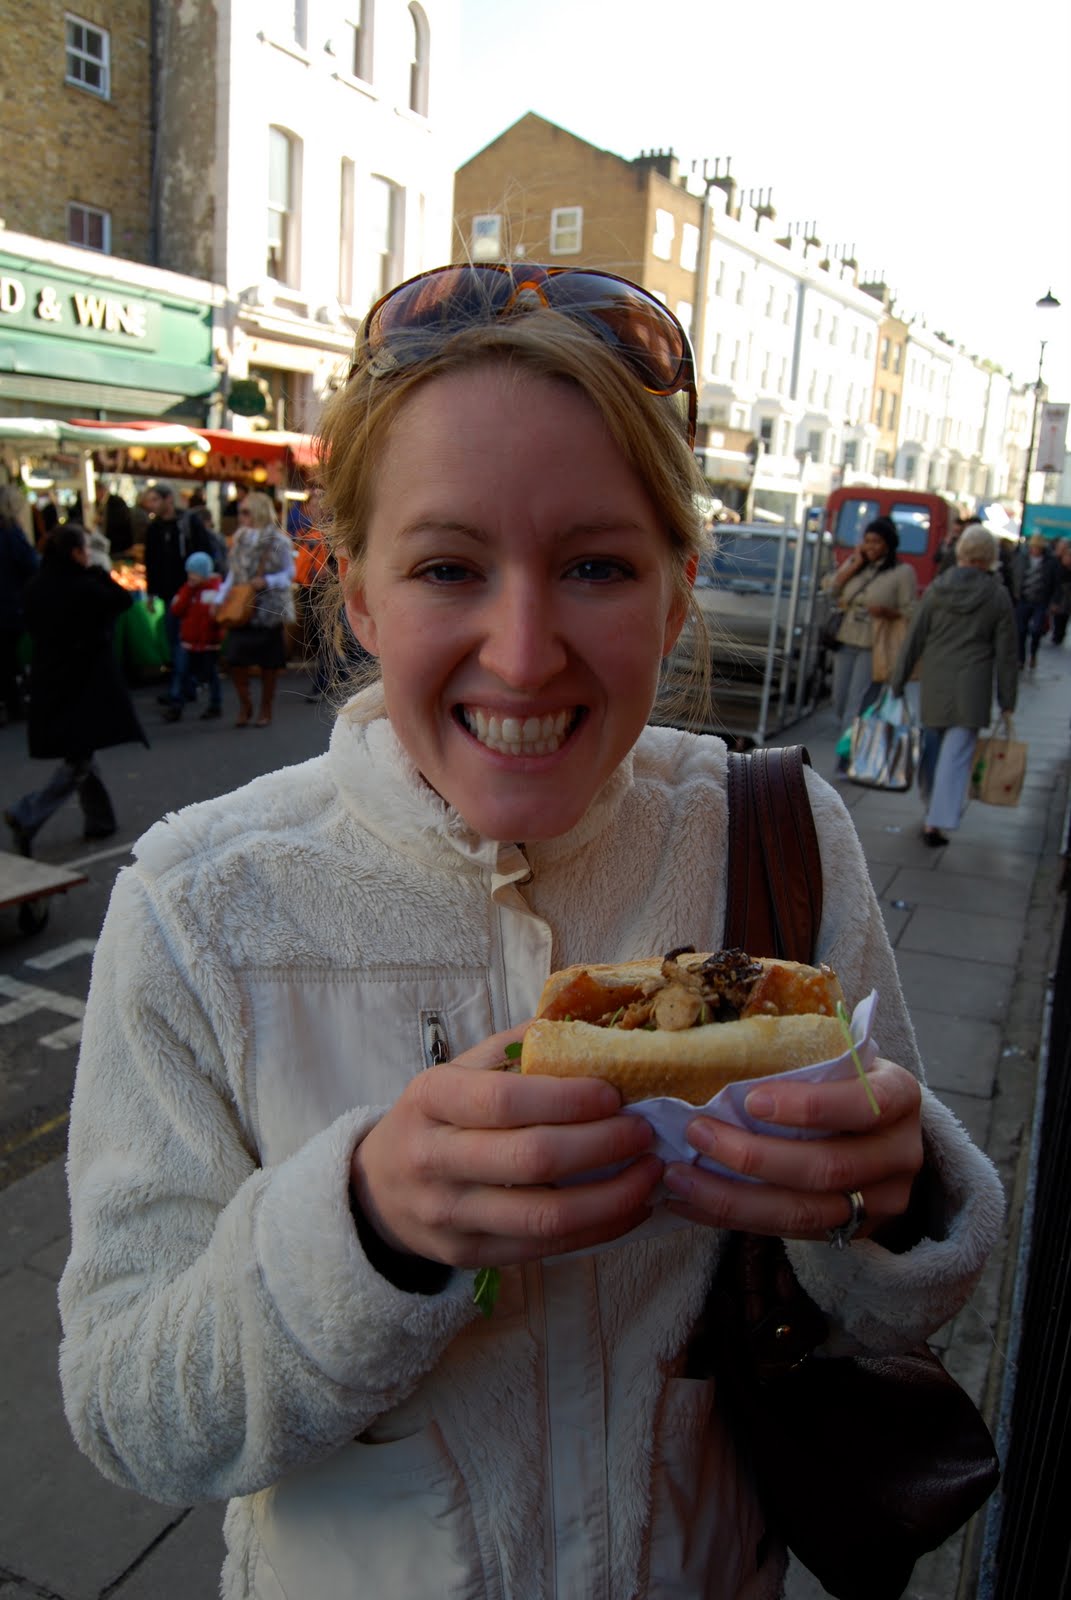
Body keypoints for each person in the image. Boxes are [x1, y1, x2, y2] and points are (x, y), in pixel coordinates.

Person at [59, 264, 1004, 1600]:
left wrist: (892, 1207)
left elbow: (898, 1315)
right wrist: (367, 1225)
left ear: (674, 594)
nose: (521, 652)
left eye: (596, 567)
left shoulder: (779, 837)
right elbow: (129, 1410)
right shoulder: (196, 906)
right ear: (360, 593)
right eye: (449, 566)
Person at [4, 523, 147, 856]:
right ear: (75, 553)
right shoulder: (83, 587)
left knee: (81, 751)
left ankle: (100, 819)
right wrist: (99, 574)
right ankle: (28, 813)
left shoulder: (37, 586)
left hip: (50, 680)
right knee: (79, 758)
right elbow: (121, 600)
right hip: (82, 683)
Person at [889, 524, 1017, 848]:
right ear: (990, 556)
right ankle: (937, 820)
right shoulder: (997, 596)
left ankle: (929, 802)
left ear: (961, 552)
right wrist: (1007, 700)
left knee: (932, 747)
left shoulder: (937, 589)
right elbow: (1007, 654)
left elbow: (914, 638)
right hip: (973, 684)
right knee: (957, 755)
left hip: (936, 681)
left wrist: (898, 680)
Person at [822, 514, 918, 755]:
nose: (871, 547)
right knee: (839, 697)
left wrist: (888, 612)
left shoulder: (902, 572)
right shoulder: (857, 564)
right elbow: (831, 589)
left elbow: (911, 610)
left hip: (874, 643)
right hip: (846, 638)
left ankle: (848, 753)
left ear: (888, 544)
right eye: (867, 541)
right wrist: (855, 564)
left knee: (858, 700)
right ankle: (851, 741)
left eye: (876, 542)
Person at [215, 489, 295, 727]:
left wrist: (268, 581)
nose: (241, 517)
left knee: (268, 663)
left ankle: (265, 708)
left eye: (246, 512)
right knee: (235, 659)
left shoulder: (278, 540)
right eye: (241, 512)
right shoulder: (239, 539)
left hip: (267, 607)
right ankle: (246, 704)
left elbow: (289, 572)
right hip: (241, 607)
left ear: (259, 512)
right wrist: (221, 597)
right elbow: (233, 573)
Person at [143, 482, 213, 713]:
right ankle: (186, 686)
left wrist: (200, 581)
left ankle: (180, 690)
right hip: (168, 594)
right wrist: (151, 593)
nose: (152, 504)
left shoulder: (188, 523)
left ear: (168, 499)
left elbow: (205, 552)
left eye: (155, 499)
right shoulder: (154, 528)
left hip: (191, 592)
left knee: (185, 642)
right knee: (176, 641)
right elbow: (151, 561)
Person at [163, 551, 224, 722]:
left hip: (208, 642)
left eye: (194, 573)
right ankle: (176, 705)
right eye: (189, 573)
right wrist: (188, 591)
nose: (191, 576)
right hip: (188, 641)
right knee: (181, 672)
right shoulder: (187, 590)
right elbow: (177, 610)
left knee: (211, 673)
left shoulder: (214, 591)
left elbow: (216, 617)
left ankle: (215, 704)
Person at [0, 483, 39, 726]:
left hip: (9, 602)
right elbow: (30, 565)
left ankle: (11, 701)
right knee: (8, 656)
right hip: (9, 604)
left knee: (6, 656)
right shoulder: (11, 533)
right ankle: (13, 702)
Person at [1013, 533, 1060, 669]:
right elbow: (1016, 574)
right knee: (1021, 630)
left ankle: (1033, 653)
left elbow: (1055, 583)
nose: (1035, 549)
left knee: (1037, 629)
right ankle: (1021, 658)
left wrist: (1054, 601)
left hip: (1041, 600)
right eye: (1034, 547)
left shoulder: (1050, 562)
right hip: (1024, 598)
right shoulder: (1023, 558)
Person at [1049, 539, 1071, 646]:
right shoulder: (1055, 561)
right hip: (1059, 593)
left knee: (1064, 616)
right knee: (1058, 615)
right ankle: (1057, 634)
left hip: (1067, 595)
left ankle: (1059, 635)